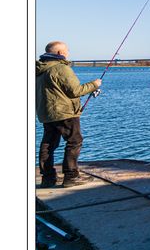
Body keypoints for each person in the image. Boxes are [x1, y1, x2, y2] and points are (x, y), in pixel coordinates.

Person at [36, 41, 102, 188]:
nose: (68, 54)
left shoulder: (39, 69)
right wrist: (95, 84)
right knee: (74, 141)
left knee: (48, 144)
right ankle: (71, 176)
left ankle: (48, 178)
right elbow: (75, 91)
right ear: (60, 53)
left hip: (46, 113)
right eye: (67, 51)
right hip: (64, 113)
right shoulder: (60, 68)